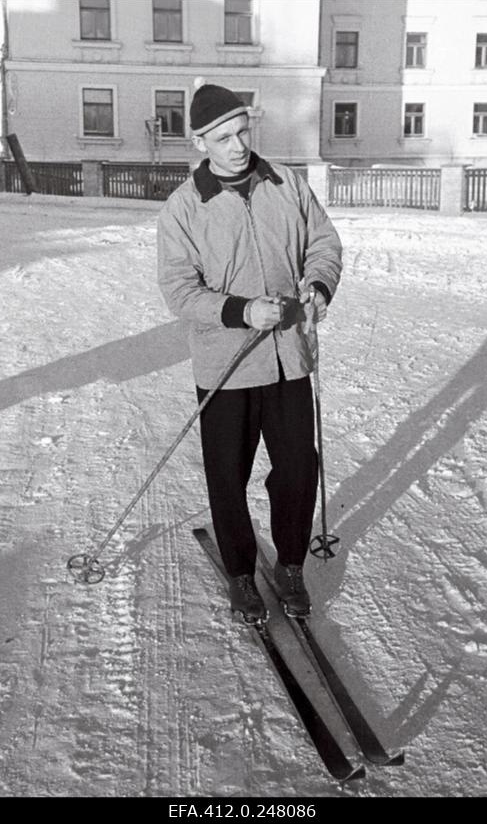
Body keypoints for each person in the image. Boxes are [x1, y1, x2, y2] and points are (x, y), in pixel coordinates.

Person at [158, 83, 342, 624]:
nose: (238, 145)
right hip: (226, 365)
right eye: (223, 137)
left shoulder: (286, 183)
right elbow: (179, 290)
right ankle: (240, 572)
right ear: (200, 142)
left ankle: (289, 565)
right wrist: (242, 311)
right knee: (227, 474)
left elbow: (324, 243)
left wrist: (319, 285)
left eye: (243, 132)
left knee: (296, 468)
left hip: (289, 355)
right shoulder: (184, 207)